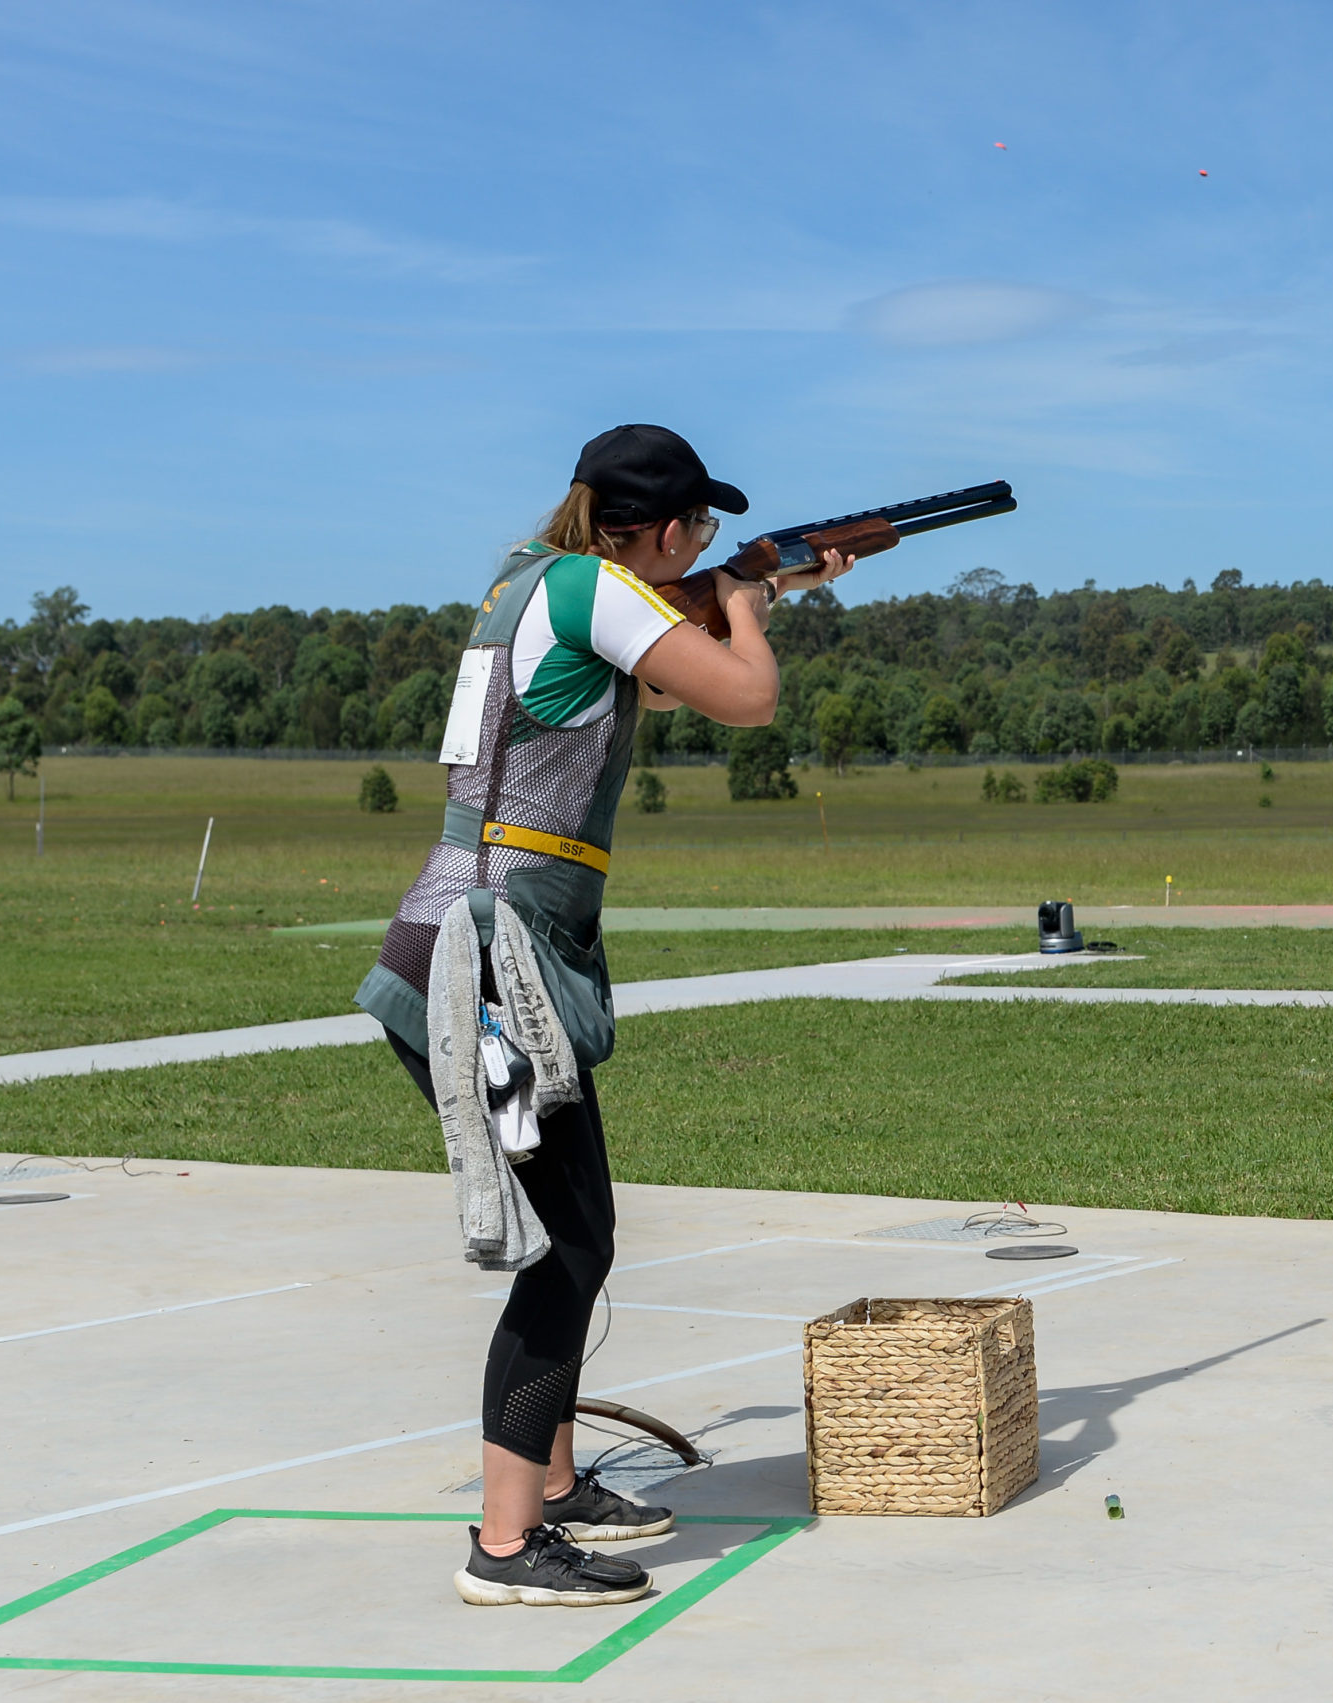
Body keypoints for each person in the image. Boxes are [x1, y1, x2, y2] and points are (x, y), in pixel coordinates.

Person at [354, 424, 852, 1606]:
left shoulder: (532, 579)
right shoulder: (588, 589)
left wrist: (747, 588)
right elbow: (747, 696)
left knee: (576, 1228)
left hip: (474, 944)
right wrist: (745, 607)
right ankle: (508, 1544)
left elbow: (641, 684)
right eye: (704, 530)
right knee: (568, 1246)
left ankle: (556, 1481)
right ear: (668, 530)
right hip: (490, 962)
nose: (712, 544)